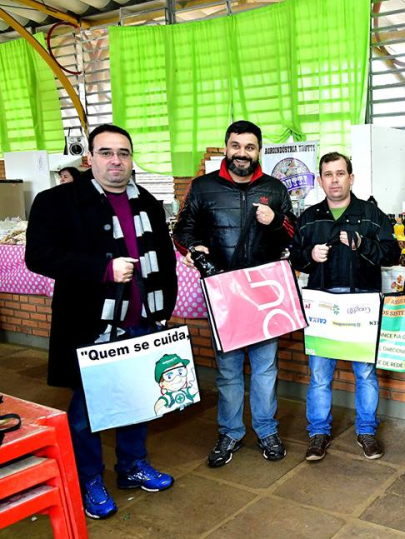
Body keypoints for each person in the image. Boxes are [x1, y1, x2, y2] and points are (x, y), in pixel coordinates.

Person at [25, 124, 178, 520]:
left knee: (140, 401)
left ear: (131, 158)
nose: (116, 161)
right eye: (106, 152)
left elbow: (164, 258)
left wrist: (163, 309)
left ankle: (131, 466)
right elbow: (38, 256)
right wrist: (102, 269)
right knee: (86, 411)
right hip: (90, 326)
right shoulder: (56, 202)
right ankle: (89, 478)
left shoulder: (146, 201)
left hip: (141, 322)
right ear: (89, 158)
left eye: (124, 153)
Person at [173, 120, 297, 468]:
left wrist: (274, 220)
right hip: (223, 293)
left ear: (259, 151)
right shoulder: (202, 187)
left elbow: (292, 233)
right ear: (226, 147)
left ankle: (266, 430)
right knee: (228, 371)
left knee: (265, 368)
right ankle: (230, 432)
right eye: (236, 146)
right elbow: (182, 229)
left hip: (262, 294)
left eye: (249, 147)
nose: (242, 153)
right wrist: (193, 247)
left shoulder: (275, 189)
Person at [290, 152, 400, 461]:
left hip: (360, 306)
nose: (334, 180)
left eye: (340, 173)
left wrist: (363, 244)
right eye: (328, 174)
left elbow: (391, 253)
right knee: (320, 376)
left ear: (351, 178)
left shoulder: (370, 214)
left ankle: (366, 431)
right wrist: (309, 256)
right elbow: (294, 257)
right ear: (320, 179)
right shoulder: (309, 217)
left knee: (365, 374)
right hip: (321, 305)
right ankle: (318, 434)